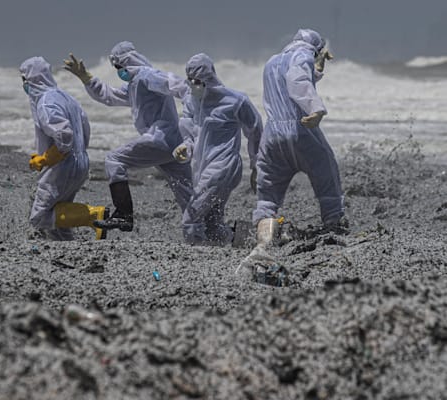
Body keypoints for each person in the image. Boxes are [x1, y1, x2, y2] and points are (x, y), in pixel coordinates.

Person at [63, 41, 192, 233]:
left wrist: (194, 112)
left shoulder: (147, 76)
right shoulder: (134, 85)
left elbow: (180, 86)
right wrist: (85, 77)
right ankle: (212, 228)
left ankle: (124, 214)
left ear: (126, 62)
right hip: (172, 144)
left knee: (114, 160)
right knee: (186, 192)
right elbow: (110, 96)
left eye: (117, 67)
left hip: (160, 139)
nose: (118, 71)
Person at [248, 28, 347, 264]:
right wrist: (316, 108)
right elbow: (298, 79)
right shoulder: (302, 55)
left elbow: (306, 74)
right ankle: (333, 227)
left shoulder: (272, 62)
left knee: (268, 195)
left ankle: (263, 243)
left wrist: (320, 63)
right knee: (327, 174)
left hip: (272, 136)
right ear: (313, 48)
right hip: (300, 129)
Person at [172, 53, 263, 246]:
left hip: (224, 166)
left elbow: (255, 131)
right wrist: (184, 148)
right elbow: (191, 134)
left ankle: (193, 255)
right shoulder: (192, 101)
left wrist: (256, 166)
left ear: (209, 78)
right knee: (211, 222)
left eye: (197, 80)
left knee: (191, 217)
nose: (192, 84)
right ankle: (242, 240)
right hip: (201, 167)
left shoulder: (235, 100)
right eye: (189, 80)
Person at [20, 56, 108, 241]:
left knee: (41, 217)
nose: (24, 85)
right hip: (80, 161)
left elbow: (64, 135)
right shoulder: (68, 98)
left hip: (62, 166)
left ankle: (94, 216)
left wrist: (46, 159)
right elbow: (85, 129)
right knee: (60, 212)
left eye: (24, 80)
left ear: (31, 80)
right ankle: (67, 244)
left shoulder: (45, 102)